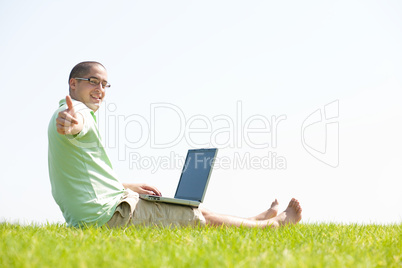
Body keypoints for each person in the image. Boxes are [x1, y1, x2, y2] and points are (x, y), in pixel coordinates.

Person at [48, 61, 302, 228]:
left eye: (105, 84)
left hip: (93, 214)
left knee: (186, 207)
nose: (101, 89)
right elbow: (75, 122)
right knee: (195, 215)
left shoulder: (70, 112)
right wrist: (72, 123)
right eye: (93, 81)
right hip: (106, 217)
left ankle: (252, 220)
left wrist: (125, 186)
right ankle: (273, 226)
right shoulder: (76, 111)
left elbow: (83, 175)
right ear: (74, 84)